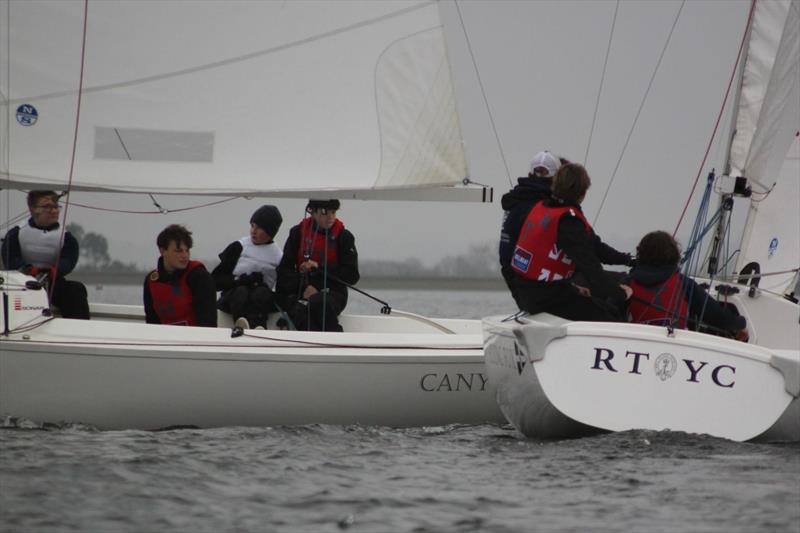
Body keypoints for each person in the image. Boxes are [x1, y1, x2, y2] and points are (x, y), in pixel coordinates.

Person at [510, 163, 633, 321]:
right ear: (582, 193)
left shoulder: (543, 207)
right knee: (611, 316)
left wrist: (628, 260)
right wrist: (621, 293)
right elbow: (592, 271)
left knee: (598, 304)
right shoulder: (568, 221)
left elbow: (595, 247)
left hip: (528, 292)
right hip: (545, 299)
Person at [628, 230, 748, 339]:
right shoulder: (684, 284)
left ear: (640, 254)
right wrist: (741, 323)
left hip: (634, 346)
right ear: (674, 256)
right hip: (676, 347)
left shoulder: (627, 282)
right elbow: (717, 317)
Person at [1, 190, 90, 319]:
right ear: (32, 209)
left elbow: (69, 260)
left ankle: (80, 330)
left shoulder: (67, 238)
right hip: (21, 284)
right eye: (47, 207)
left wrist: (56, 270)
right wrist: (26, 269)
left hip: (53, 283)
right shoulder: (16, 234)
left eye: (55, 207)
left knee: (76, 289)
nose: (54, 211)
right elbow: (10, 258)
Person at [276, 199, 359, 332]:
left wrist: (319, 268)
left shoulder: (344, 237)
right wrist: (305, 287)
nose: (330, 217)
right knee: (294, 306)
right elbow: (284, 272)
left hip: (333, 293)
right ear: (312, 212)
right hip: (301, 291)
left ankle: (337, 340)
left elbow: (352, 276)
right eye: (325, 212)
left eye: (333, 212)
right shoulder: (297, 233)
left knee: (319, 302)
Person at [499, 150, 565, 305]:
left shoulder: (514, 200)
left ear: (530, 174)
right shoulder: (548, 206)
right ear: (556, 178)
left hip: (512, 276)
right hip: (540, 286)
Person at [212, 205, 283, 329]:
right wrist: (238, 280)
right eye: (252, 225)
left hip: (260, 298)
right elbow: (216, 281)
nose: (253, 231)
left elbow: (283, 287)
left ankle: (259, 327)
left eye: (259, 228)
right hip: (234, 295)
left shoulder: (278, 256)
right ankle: (241, 324)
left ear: (270, 232)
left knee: (261, 293)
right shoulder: (239, 246)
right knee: (242, 292)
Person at [143, 224, 217, 327]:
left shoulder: (200, 277)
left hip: (196, 339)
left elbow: (208, 323)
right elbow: (152, 321)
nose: (185, 256)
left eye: (187, 250)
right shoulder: (151, 281)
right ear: (163, 251)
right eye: (178, 251)